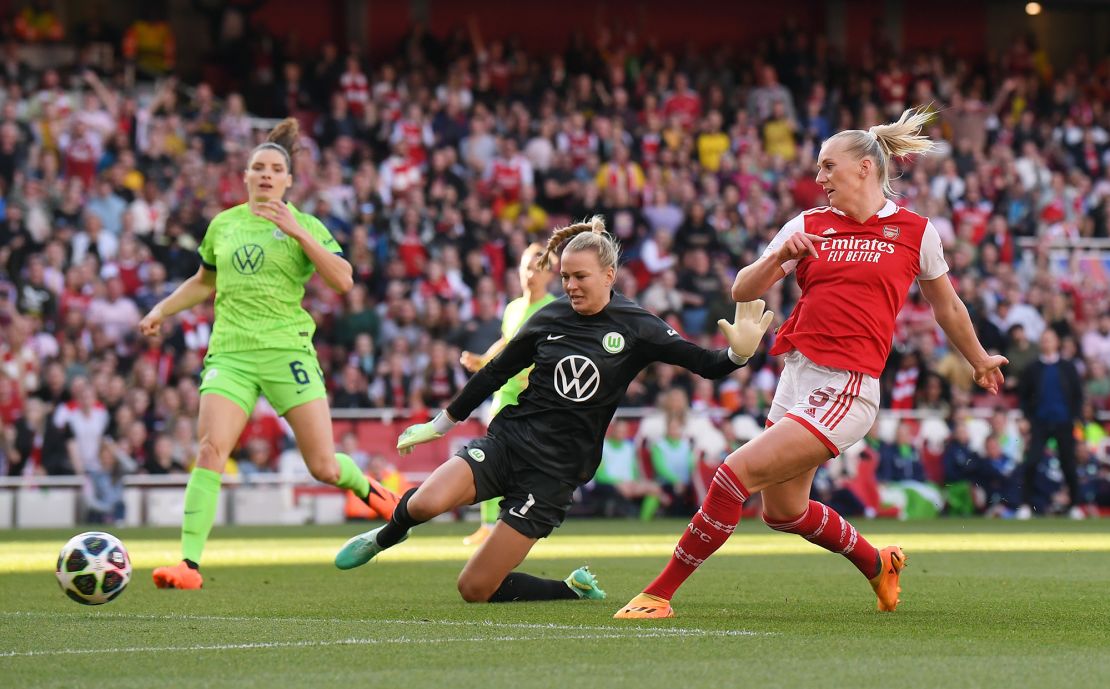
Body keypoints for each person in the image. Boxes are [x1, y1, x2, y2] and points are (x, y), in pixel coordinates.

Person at [616, 107, 1008, 619]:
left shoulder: (915, 231)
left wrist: (978, 359)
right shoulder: (806, 224)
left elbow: (947, 305)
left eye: (828, 166)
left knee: (733, 474)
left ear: (865, 167)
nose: (819, 178)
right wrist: (779, 259)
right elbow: (741, 289)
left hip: (849, 385)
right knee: (782, 512)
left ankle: (658, 594)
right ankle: (878, 562)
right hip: (797, 377)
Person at [333, 216, 774, 604]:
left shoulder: (638, 325)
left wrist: (736, 356)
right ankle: (385, 535)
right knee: (426, 502)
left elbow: (702, 363)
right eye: (565, 277)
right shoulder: (549, 318)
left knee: (474, 589)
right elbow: (495, 372)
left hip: (555, 473)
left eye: (580, 277)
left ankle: (571, 589)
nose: (570, 286)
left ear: (609, 275)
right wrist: (440, 423)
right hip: (508, 444)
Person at [138, 118, 398, 590]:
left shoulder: (306, 225)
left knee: (322, 466)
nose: (265, 174)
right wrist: (161, 309)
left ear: (288, 180)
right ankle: (189, 565)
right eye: (257, 167)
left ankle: (368, 488)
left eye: (274, 168)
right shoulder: (224, 225)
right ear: (245, 176)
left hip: (286, 351)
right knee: (210, 450)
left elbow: (343, 280)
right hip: (231, 354)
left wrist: (298, 232)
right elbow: (204, 281)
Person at [457, 242, 557, 546]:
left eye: (538, 268)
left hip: (537, 398)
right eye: (527, 266)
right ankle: (488, 524)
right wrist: (484, 360)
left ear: (551, 275)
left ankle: (525, 520)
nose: (530, 274)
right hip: (506, 392)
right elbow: (507, 341)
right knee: (490, 453)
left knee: (530, 460)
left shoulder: (554, 309)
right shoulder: (514, 308)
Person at [1015, 328, 1084, 520]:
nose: (1046, 343)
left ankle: (1074, 505)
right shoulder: (1032, 368)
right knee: (1032, 463)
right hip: (1040, 423)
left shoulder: (1068, 367)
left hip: (1064, 422)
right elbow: (1023, 396)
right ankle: (1026, 505)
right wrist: (1026, 418)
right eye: (1043, 340)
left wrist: (1076, 418)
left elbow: (1078, 395)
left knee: (1068, 465)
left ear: (1056, 343)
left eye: (1050, 340)